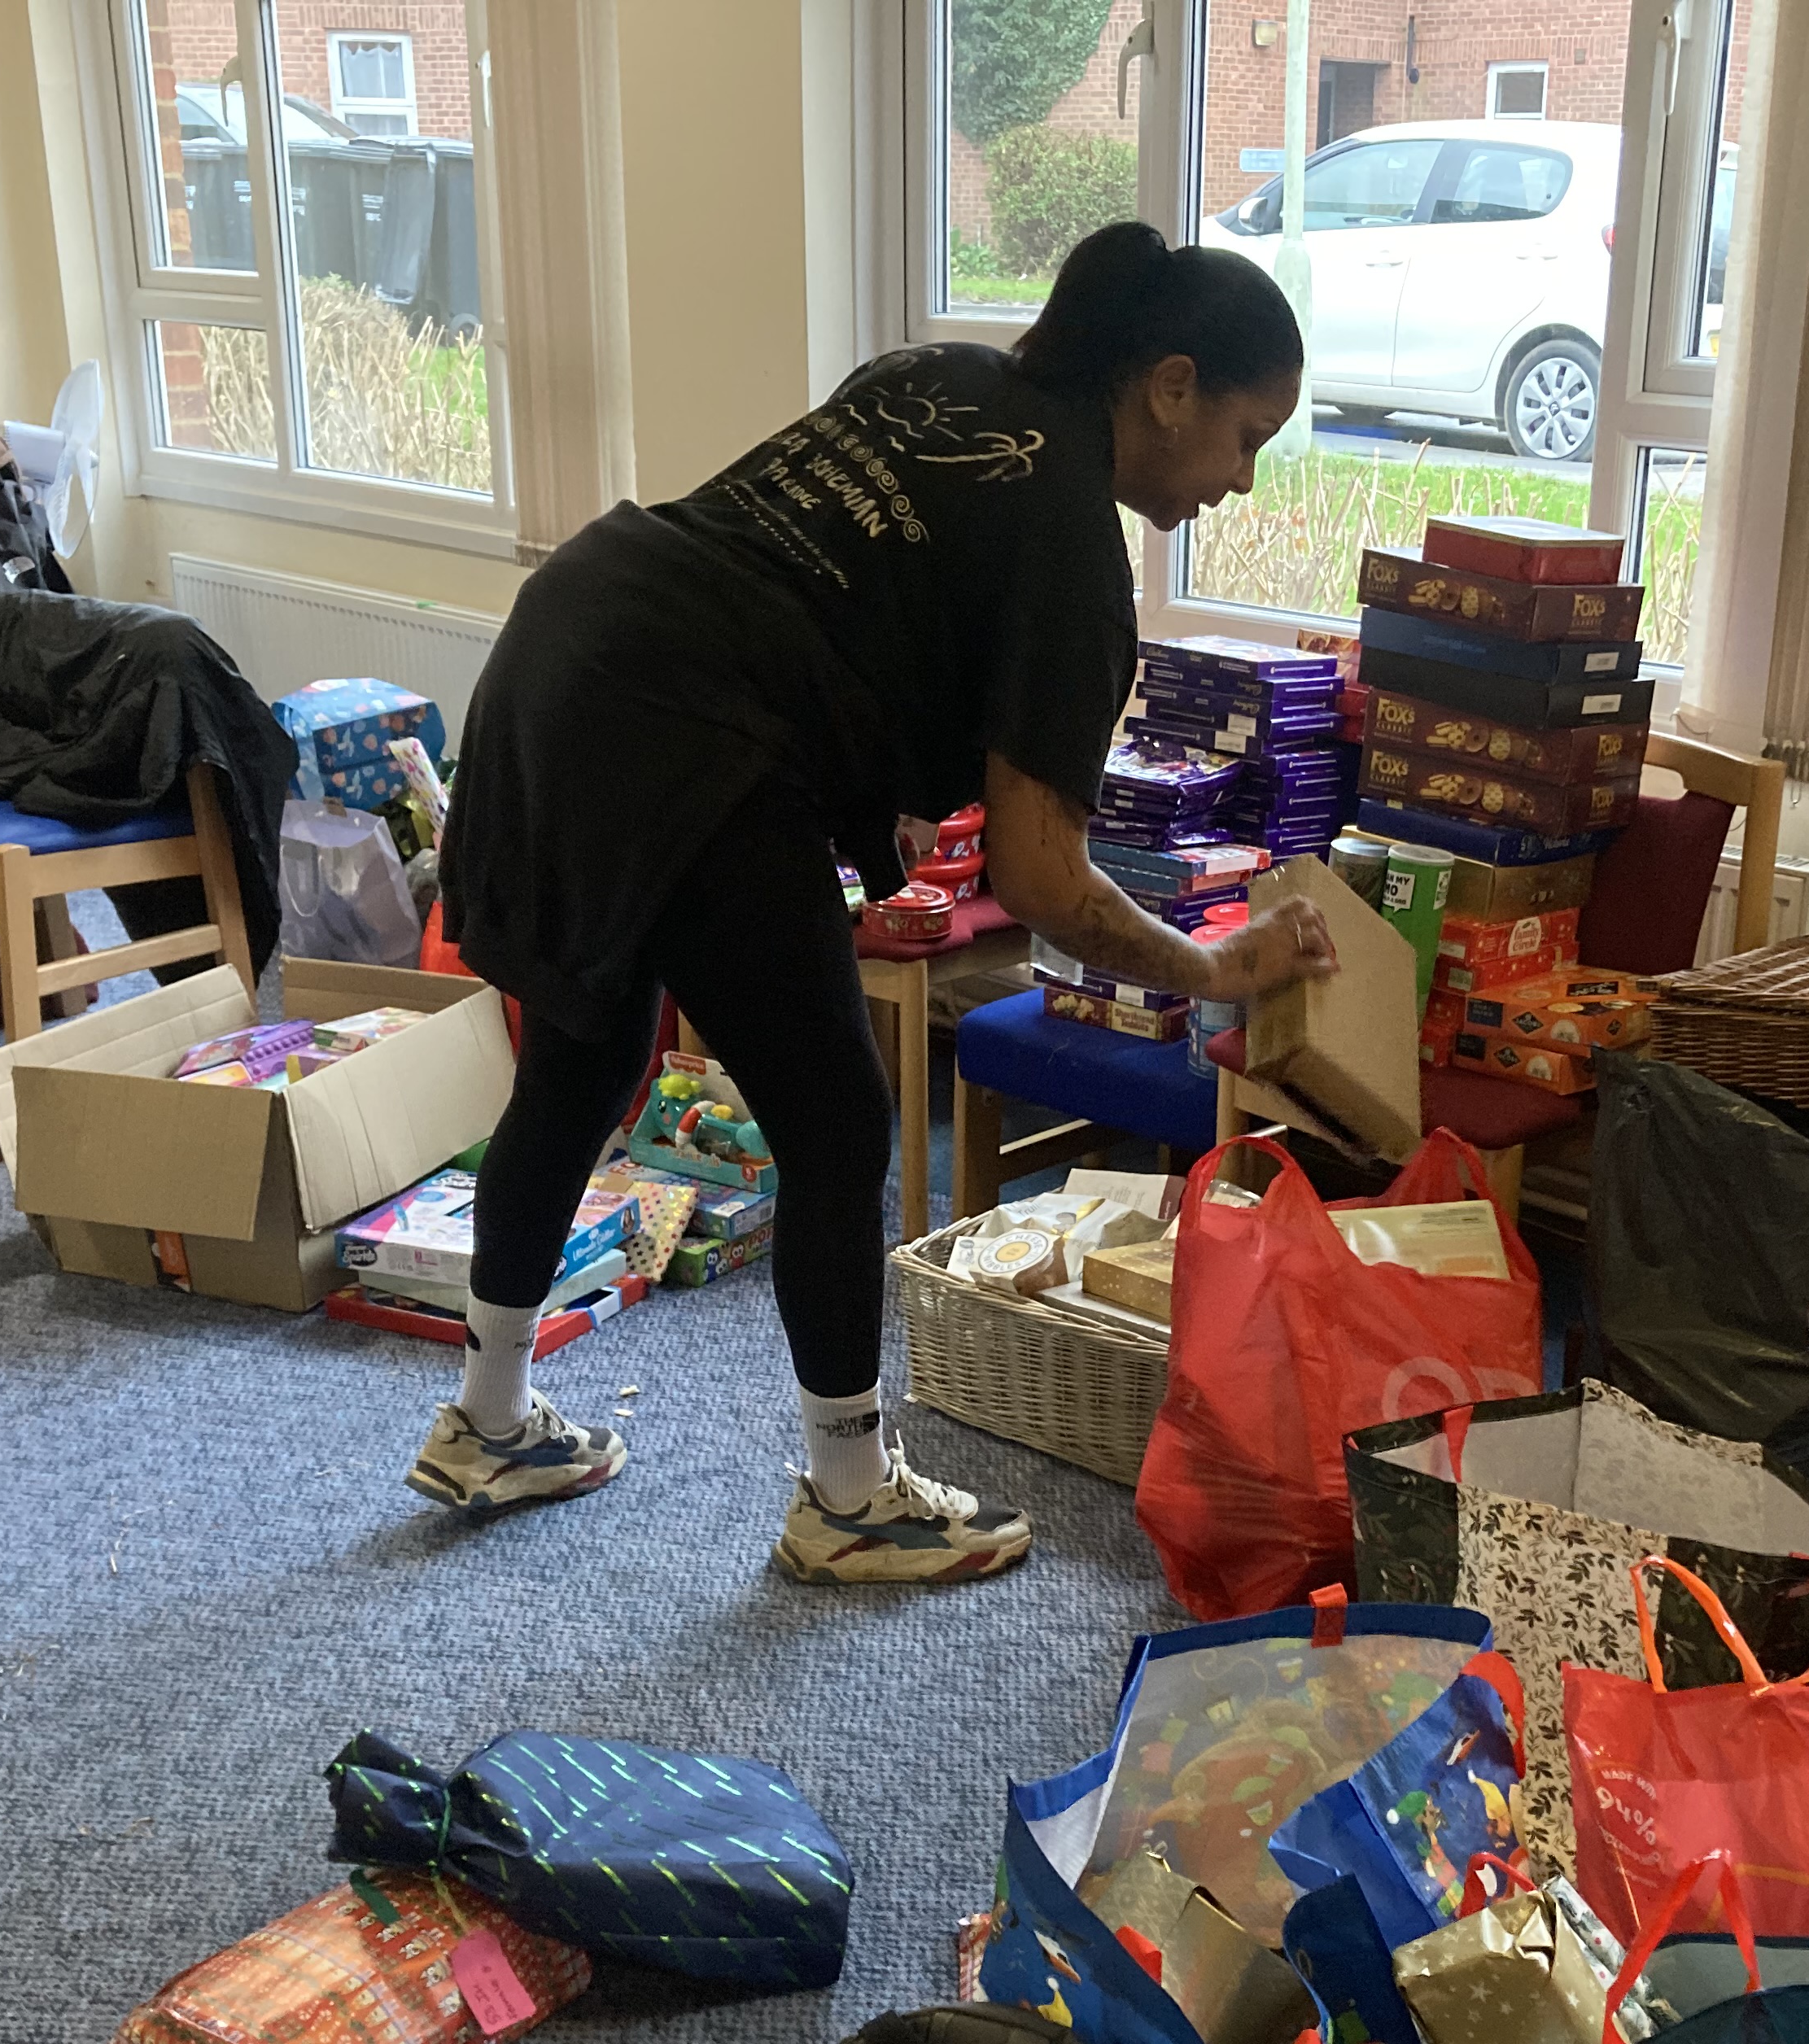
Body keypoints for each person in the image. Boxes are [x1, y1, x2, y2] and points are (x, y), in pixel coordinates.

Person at [413, 221, 1335, 1585]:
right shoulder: (1076, 559)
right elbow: (1039, 876)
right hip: (691, 728)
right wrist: (1212, 967)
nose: (1240, 480)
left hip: (566, 643)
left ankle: (485, 1420)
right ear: (1170, 384)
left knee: (584, 1049)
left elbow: (839, 592)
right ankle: (849, 1495)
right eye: (1244, 435)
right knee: (841, 1118)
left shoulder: (937, 372)